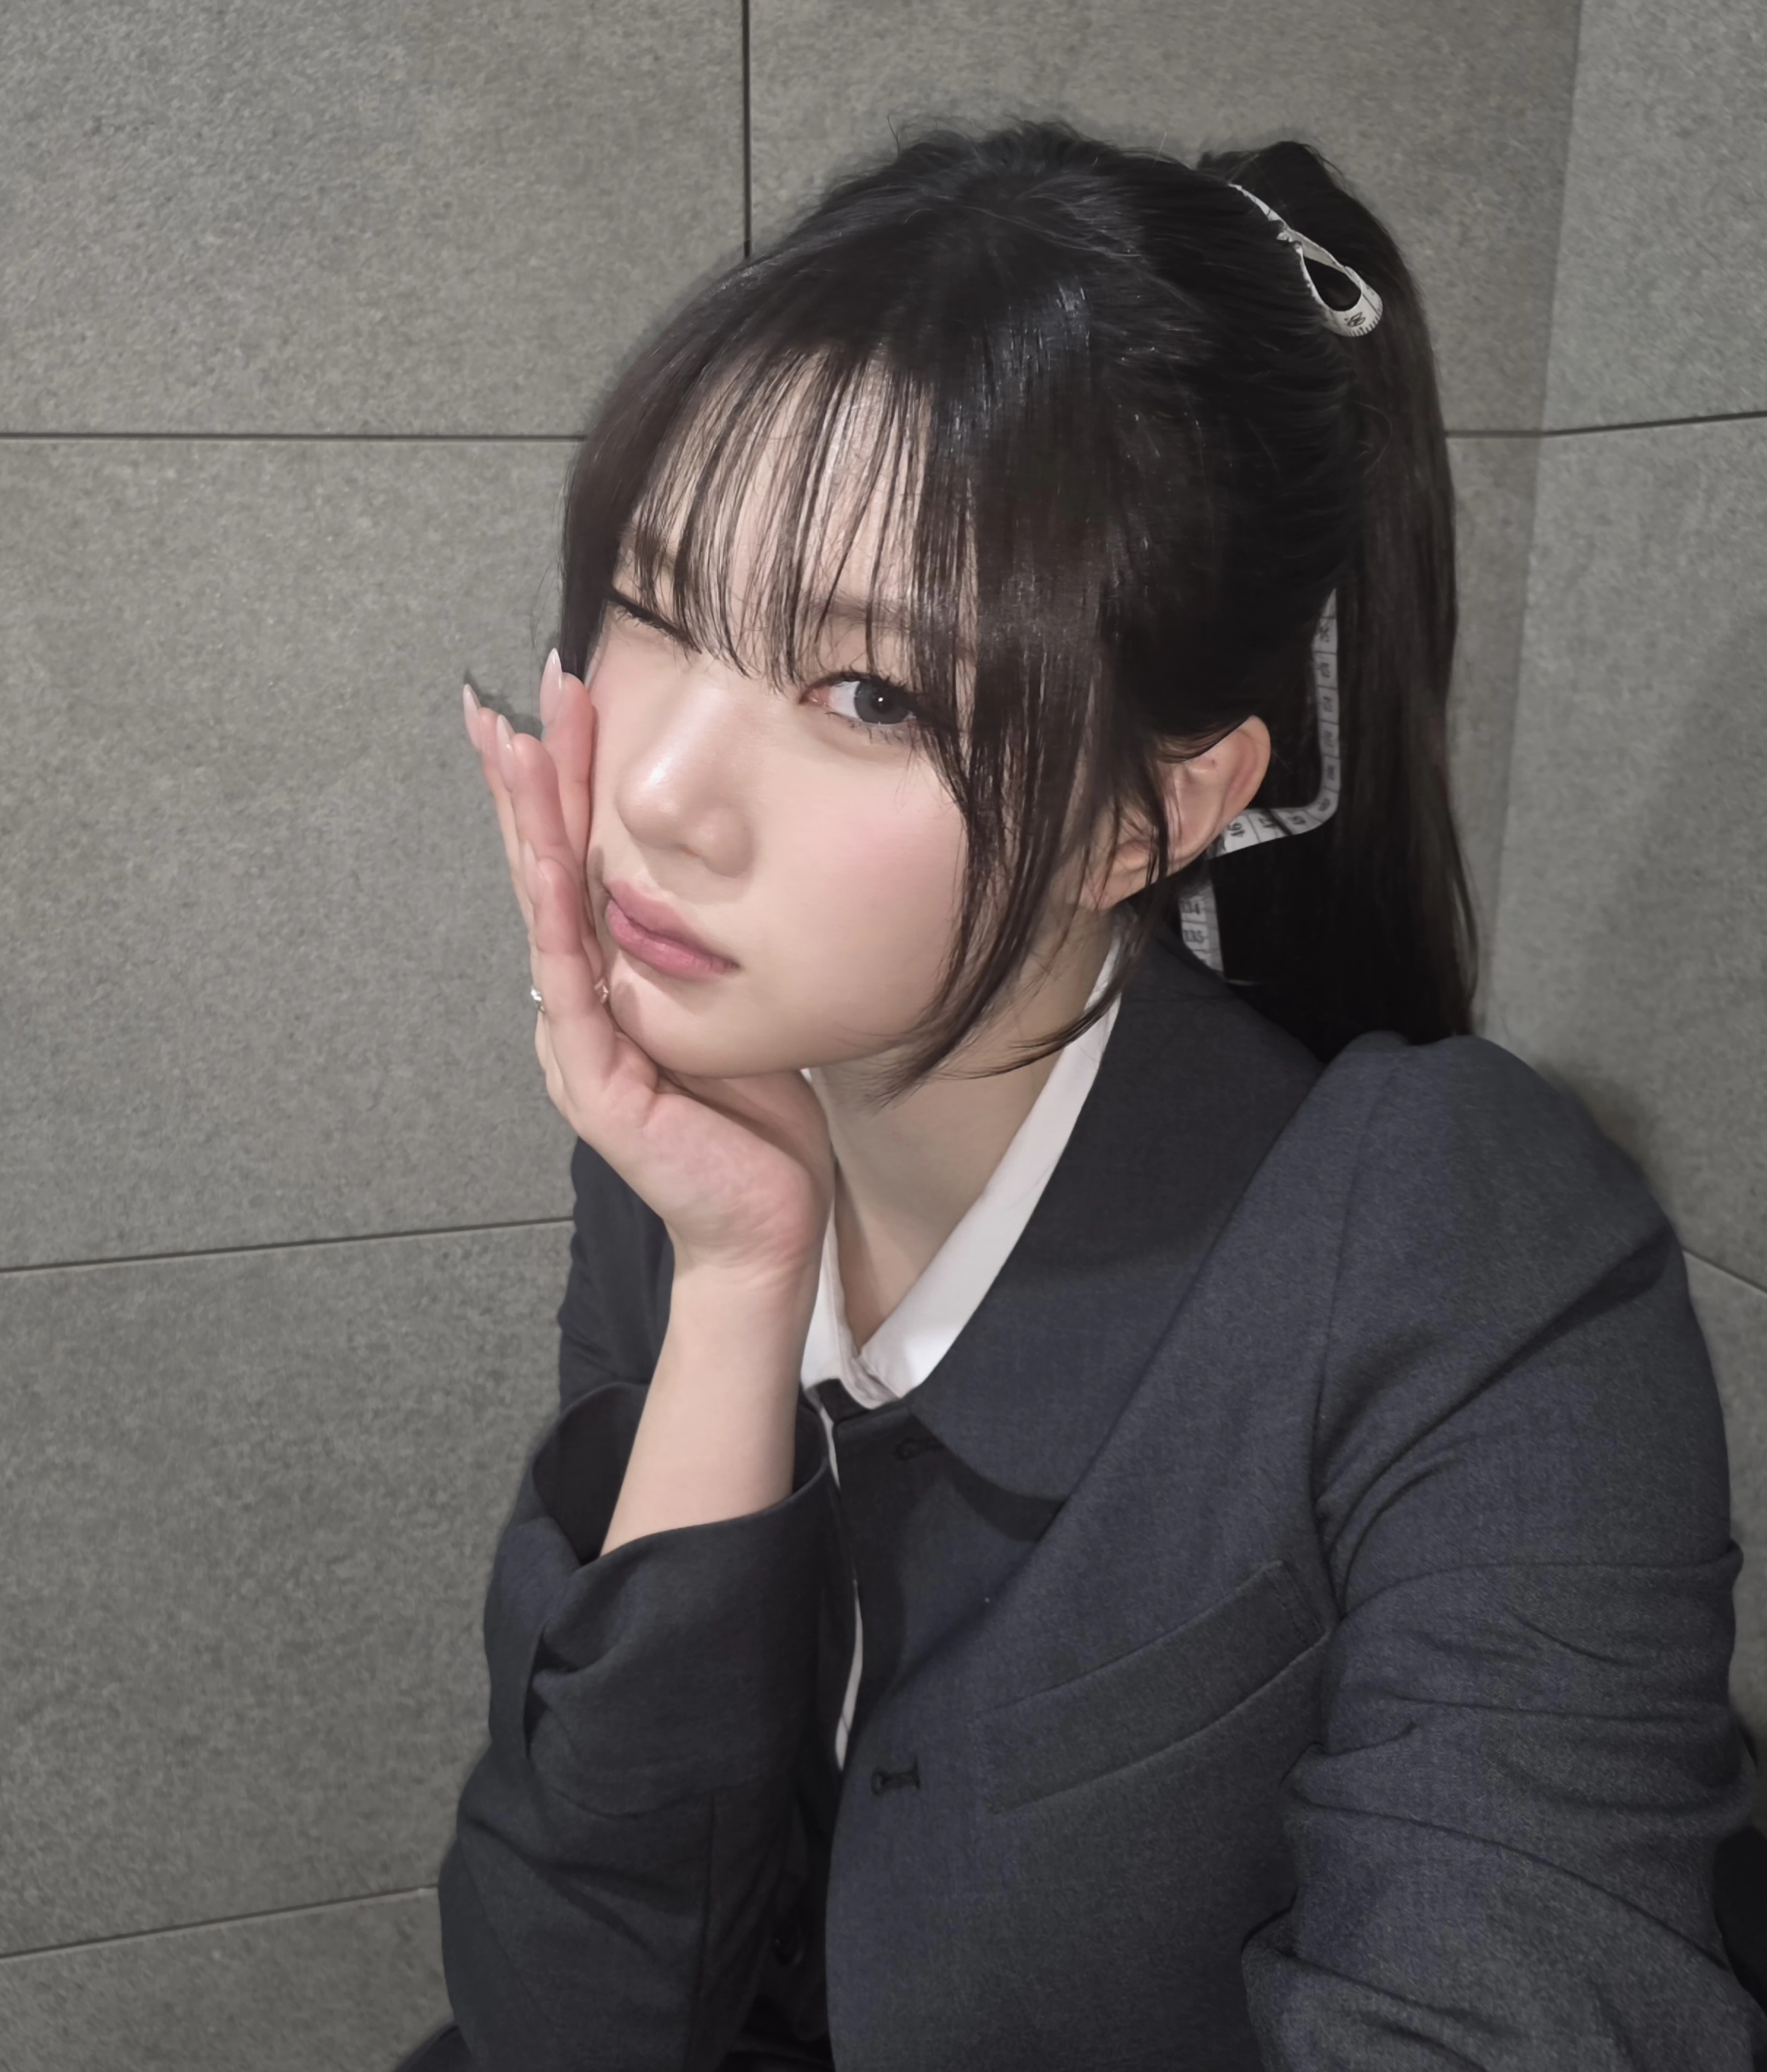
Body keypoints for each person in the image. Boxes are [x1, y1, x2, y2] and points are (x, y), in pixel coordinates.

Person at [412, 122, 1766, 2070]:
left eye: (869, 694)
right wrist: (732, 1286)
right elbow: (572, 2012)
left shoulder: (1452, 1247)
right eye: (656, 602)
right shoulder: (680, 1150)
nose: (660, 788)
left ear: (1155, 810)